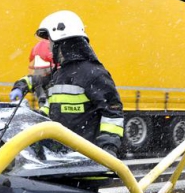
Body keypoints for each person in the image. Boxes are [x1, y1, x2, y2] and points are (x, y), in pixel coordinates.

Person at [34, 10, 125, 157]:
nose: (49, 47)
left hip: (87, 164)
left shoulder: (94, 74)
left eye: (50, 41)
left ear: (60, 43)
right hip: (62, 160)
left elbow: (112, 113)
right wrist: (32, 119)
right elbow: (51, 109)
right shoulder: (59, 75)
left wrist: (108, 149)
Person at [9, 40, 55, 113]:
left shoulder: (61, 82)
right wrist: (18, 88)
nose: (41, 73)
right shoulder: (39, 78)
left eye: (45, 70)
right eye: (38, 69)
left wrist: (40, 113)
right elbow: (28, 80)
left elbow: (56, 107)